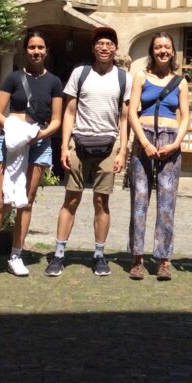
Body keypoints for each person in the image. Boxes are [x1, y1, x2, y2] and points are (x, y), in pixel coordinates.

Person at [0, 30, 63, 280]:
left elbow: (57, 119)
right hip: (11, 141)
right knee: (0, 202)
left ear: (47, 51)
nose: (36, 51)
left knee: (26, 202)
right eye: (32, 47)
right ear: (25, 50)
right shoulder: (13, 78)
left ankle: (16, 255)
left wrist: (39, 133)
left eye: (41, 47)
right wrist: (16, 128)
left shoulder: (54, 82)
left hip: (39, 142)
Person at [46, 26, 132, 277]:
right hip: (79, 144)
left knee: (101, 201)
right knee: (71, 199)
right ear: (93, 48)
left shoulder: (122, 78)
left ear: (115, 48)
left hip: (108, 146)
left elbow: (124, 118)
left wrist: (122, 150)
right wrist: (64, 145)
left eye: (109, 44)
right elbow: (69, 112)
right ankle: (59, 254)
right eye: (100, 43)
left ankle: (99, 255)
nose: (104, 47)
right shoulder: (80, 73)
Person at [126, 31, 190, 281]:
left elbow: (185, 116)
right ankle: (137, 258)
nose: (162, 51)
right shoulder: (141, 76)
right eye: (158, 47)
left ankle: (164, 259)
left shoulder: (181, 81)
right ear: (152, 52)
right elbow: (131, 112)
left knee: (166, 203)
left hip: (169, 140)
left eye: (166, 47)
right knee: (139, 200)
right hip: (144, 139)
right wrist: (143, 141)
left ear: (173, 51)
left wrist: (175, 144)